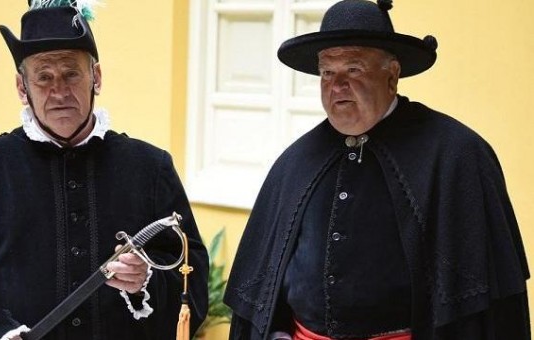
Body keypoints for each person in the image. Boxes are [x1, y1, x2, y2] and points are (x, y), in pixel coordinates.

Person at [224, 0, 530, 339]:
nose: (337, 85)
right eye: (327, 72)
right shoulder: (295, 162)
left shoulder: (457, 156)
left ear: (392, 74)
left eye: (353, 69)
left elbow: (489, 311)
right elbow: (264, 296)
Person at [0, 2, 208, 339]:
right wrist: (1, 335)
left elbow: (190, 275)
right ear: (22, 88)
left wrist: (145, 282)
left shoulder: (151, 167)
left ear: (96, 77)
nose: (59, 91)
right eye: (44, 77)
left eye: (71, 73)